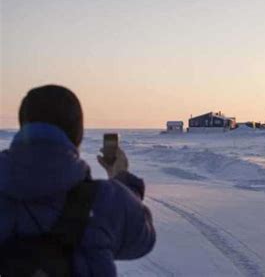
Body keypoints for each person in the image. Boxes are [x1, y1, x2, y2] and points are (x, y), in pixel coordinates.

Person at [0, 85, 156, 276]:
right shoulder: (104, 201)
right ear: (78, 136)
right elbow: (142, 237)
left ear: (22, 127)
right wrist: (120, 178)